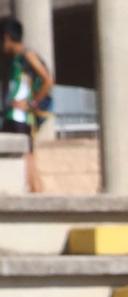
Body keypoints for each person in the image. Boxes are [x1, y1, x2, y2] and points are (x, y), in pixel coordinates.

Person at [1, 19, 52, 194]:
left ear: (7, 37)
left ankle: (39, 200)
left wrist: (31, 103)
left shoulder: (27, 55)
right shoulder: (13, 59)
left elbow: (47, 80)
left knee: (28, 161)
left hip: (21, 117)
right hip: (11, 115)